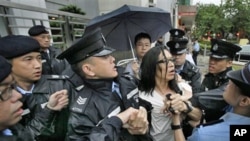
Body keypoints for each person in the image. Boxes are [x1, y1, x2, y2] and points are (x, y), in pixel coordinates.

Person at [57, 28, 152, 141]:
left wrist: (144, 112)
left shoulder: (126, 81)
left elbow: (141, 102)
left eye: (110, 54)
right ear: (89, 69)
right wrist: (117, 120)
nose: (113, 59)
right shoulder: (84, 110)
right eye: (104, 57)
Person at [0, 35, 69, 141]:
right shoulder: (5, 101)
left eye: (39, 58)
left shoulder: (59, 85)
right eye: (28, 59)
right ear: (8, 63)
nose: (37, 65)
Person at [172, 63, 250, 141]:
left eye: (234, 83)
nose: (228, 82)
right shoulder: (238, 109)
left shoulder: (204, 135)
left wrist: (176, 122)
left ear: (244, 101)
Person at [138, 46, 193, 141]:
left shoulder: (180, 88)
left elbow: (197, 114)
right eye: (164, 61)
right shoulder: (143, 96)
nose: (171, 64)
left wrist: (183, 103)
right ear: (152, 66)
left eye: (171, 60)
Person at [196, 39, 242, 122]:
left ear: (229, 63)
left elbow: (216, 97)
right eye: (211, 58)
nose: (212, 62)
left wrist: (191, 99)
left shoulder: (233, 81)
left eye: (217, 60)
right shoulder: (210, 77)